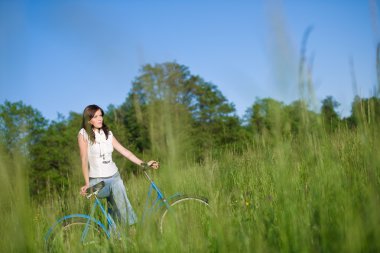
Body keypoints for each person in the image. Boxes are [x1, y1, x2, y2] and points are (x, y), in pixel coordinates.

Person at [78, 104, 159, 227]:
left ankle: (117, 239)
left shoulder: (107, 134)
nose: (100, 119)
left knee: (115, 211)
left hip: (114, 176)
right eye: (95, 116)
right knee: (118, 191)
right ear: (89, 120)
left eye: (101, 115)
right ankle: (133, 226)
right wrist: (87, 183)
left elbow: (125, 151)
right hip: (98, 182)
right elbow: (84, 159)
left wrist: (144, 164)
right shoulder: (83, 134)